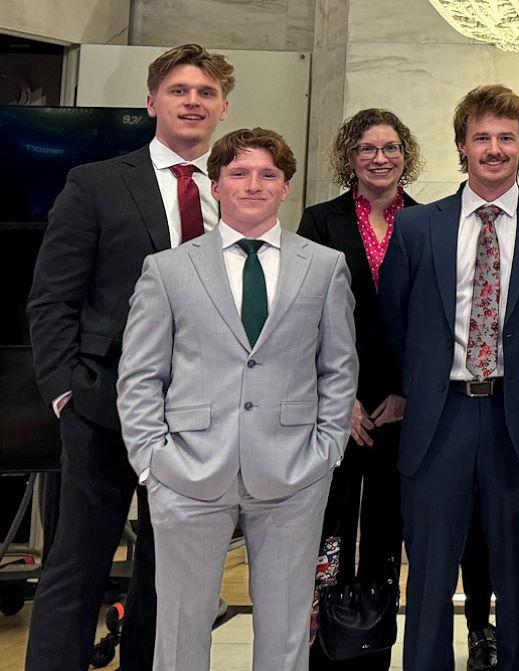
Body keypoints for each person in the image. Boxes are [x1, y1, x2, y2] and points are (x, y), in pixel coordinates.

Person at [25, 43, 234, 671]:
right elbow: (51, 298)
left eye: (205, 93)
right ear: (151, 103)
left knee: (170, 576)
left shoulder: (240, 190)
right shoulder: (96, 183)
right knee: (78, 567)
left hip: (202, 414)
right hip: (104, 407)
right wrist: (66, 391)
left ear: (223, 108)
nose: (192, 101)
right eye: (179, 90)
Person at [118, 127, 356, 671]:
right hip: (187, 470)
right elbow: (139, 374)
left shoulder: (323, 265)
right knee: (178, 628)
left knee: (287, 627)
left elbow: (339, 368)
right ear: (216, 184)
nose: (254, 184)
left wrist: (327, 453)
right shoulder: (169, 268)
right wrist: (152, 460)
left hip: (295, 470)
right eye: (239, 173)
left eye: (268, 174)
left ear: (285, 187)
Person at [378, 84, 519, 671]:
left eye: (506, 138)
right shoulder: (419, 226)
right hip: (439, 416)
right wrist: (415, 383)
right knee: (427, 574)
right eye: (482, 138)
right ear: (461, 146)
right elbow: (394, 318)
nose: (494, 149)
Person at [296, 108, 424, 671]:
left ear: (407, 155)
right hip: (334, 403)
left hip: (401, 404)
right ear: (349, 156)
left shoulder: (428, 221)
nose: (380, 158)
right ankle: (323, 649)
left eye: (391, 148)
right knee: (327, 530)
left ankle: (371, 645)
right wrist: (336, 398)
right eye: (368, 148)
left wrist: (404, 392)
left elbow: (435, 317)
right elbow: (300, 314)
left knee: (384, 532)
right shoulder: (320, 221)